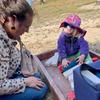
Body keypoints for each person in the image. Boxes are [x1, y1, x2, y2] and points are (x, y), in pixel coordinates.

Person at [0, 0, 47, 100]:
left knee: (37, 78)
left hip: (9, 75)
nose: (27, 31)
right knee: (41, 89)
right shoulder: (1, 43)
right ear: (13, 20)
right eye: (26, 26)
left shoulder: (8, 28)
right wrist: (26, 81)